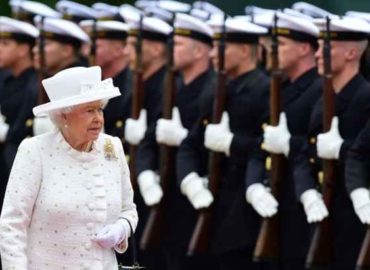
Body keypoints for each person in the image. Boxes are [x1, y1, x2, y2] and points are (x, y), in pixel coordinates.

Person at [0, 66, 138, 269]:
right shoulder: (34, 150)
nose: (98, 118)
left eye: (100, 108)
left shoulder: (112, 147)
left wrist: (121, 229)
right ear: (63, 116)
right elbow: (12, 225)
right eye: (89, 110)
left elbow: (129, 209)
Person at [177, 17, 270, 270]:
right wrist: (190, 181)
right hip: (212, 202)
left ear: (243, 50)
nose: (215, 55)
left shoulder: (263, 89)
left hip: (243, 206)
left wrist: (231, 143)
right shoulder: (217, 88)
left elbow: (266, 147)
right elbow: (190, 144)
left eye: (223, 48)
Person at [245, 12, 325, 270]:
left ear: (304, 49)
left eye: (281, 45)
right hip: (276, 205)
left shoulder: (320, 91)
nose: (272, 51)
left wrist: (290, 143)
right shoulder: (280, 88)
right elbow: (262, 144)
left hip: (304, 207)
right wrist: (254, 185)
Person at [291, 16, 370, 269]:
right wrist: (306, 191)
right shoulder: (323, 98)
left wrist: (341, 150)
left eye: (327, 48)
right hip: (322, 212)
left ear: (350, 53)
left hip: (355, 213)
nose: (316, 56)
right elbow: (306, 151)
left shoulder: (364, 97)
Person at [0, 16, 39, 211]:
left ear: (24, 49)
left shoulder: (33, 85)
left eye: (5, 43)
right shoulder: (7, 79)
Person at [80, 19, 132, 143]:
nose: (88, 53)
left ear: (118, 50)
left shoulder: (132, 85)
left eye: (96, 47)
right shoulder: (90, 82)